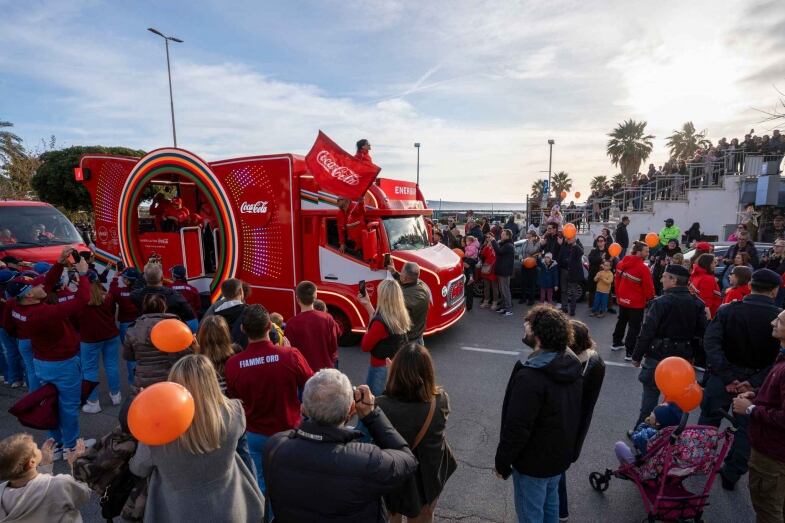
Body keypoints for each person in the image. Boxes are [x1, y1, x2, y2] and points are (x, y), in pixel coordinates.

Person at [262, 370, 418, 522]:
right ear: (351, 410)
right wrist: (372, 415)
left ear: (303, 409)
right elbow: (407, 458)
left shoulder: (275, 447)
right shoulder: (366, 461)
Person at [130, 355, 265, 523]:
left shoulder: (159, 432)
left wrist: (150, 413)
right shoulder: (235, 413)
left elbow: (138, 468)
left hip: (178, 512)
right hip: (231, 507)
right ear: (212, 382)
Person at [494, 306, 584, 523]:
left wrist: (502, 462)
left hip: (533, 463)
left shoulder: (531, 378)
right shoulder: (571, 365)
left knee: (530, 515)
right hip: (557, 459)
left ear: (539, 336)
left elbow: (517, 427)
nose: (524, 327)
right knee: (550, 506)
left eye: (528, 324)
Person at [699, 268, 782, 490]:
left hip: (722, 376)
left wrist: (727, 375)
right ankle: (732, 472)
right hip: (756, 382)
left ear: (751, 285)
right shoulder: (778, 318)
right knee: (746, 429)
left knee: (709, 419)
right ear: (774, 291)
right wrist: (753, 381)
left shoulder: (728, 310)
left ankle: (699, 460)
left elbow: (711, 343)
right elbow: (778, 359)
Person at [6, 249, 94, 457]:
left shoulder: (16, 304)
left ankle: (58, 443)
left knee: (49, 402)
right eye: (36, 285)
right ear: (29, 294)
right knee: (68, 406)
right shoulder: (42, 314)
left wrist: (59, 264)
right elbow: (81, 300)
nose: (42, 284)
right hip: (61, 363)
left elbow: (46, 283)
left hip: (41, 361)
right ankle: (71, 447)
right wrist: (83, 274)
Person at [224, 304, 313, 494]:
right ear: (270, 327)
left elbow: (234, 401)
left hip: (254, 434)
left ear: (242, 329)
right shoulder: (290, 355)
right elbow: (312, 385)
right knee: (292, 482)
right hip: (289, 430)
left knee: (261, 486)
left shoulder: (233, 365)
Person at [377, 344, 457, 523]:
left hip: (396, 476)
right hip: (427, 478)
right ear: (428, 372)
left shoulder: (381, 406)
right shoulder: (441, 400)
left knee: (393, 515)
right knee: (423, 516)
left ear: (395, 372)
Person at [631, 264, 707, 428]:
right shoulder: (697, 303)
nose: (661, 279)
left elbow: (647, 331)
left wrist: (636, 356)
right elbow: (701, 333)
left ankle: (642, 429)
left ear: (673, 280)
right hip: (683, 357)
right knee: (676, 399)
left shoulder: (661, 302)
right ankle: (669, 433)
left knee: (650, 393)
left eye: (664, 276)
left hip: (657, 355)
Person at [731, 308, 785, 522]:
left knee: (767, 508)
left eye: (780, 321)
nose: (773, 322)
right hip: (775, 450)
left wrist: (751, 409)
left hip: (773, 453)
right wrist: (758, 394)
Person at [558, 320, 605, 522]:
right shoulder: (594, 360)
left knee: (556, 472)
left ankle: (561, 512)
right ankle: (561, 511)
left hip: (566, 430)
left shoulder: (577, 370)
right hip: (576, 427)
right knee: (558, 472)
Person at [0, 435, 89, 522]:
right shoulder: (59, 484)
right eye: (36, 448)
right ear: (32, 462)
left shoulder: (1, 493)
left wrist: (45, 467)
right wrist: (77, 466)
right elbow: (84, 492)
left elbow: (33, 490)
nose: (39, 449)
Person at [122, 294, 194, 391]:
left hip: (143, 380)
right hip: (171, 376)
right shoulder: (175, 325)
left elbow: (128, 356)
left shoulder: (133, 329)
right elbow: (186, 352)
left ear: (144, 308)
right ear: (164, 307)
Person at [79, 270, 122, 414]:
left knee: (90, 370)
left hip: (90, 339)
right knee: (111, 365)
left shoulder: (81, 299)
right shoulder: (107, 296)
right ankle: (116, 395)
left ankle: (93, 402)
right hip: (110, 335)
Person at [358, 280, 411, 395]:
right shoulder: (400, 314)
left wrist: (368, 329)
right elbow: (379, 318)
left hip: (379, 368)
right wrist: (367, 303)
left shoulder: (380, 323)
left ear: (384, 297)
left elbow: (365, 346)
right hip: (394, 365)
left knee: (374, 401)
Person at [612, 241, 655, 361]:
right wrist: (650, 298)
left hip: (623, 300)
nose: (648, 253)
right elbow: (648, 287)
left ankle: (616, 343)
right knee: (634, 327)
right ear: (639, 252)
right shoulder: (643, 268)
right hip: (636, 303)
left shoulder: (621, 263)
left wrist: (619, 296)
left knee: (621, 321)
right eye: (646, 251)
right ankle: (629, 352)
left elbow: (617, 281)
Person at [284, 281, 340, 371]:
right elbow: (334, 346)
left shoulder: (291, 324)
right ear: (315, 297)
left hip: (304, 373)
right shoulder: (327, 318)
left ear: (297, 298)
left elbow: (290, 353)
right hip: (326, 372)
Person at [131, 262, 196, 328]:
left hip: (146, 331)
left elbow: (135, 288)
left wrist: (146, 273)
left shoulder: (136, 295)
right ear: (162, 278)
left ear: (144, 278)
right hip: (170, 329)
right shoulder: (174, 295)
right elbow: (190, 314)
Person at [614, 403, 683, 464]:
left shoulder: (649, 433)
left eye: (653, 413)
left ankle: (626, 467)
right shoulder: (671, 433)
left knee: (619, 445)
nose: (650, 413)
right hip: (659, 463)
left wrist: (645, 424)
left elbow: (636, 437)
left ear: (658, 422)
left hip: (644, 464)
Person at [109, 267, 141, 383]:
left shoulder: (120, 292)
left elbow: (112, 291)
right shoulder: (141, 291)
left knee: (130, 355)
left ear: (127, 281)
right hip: (140, 324)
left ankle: (133, 380)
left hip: (125, 326)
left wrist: (115, 278)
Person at [387, 262, 431, 344]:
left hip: (409, 341)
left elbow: (392, 317)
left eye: (402, 272)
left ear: (406, 278)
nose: (400, 273)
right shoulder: (421, 286)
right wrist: (394, 273)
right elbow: (406, 283)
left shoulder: (405, 298)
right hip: (418, 336)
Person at [196, 315, 237, 393]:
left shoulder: (197, 362)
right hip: (233, 402)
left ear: (202, 336)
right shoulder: (236, 354)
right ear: (226, 335)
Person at [556, 234, 585, 316]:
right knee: (563, 290)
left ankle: (572, 310)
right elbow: (559, 257)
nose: (568, 239)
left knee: (573, 292)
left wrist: (574, 244)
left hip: (573, 272)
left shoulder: (577, 243)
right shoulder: (563, 244)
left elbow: (581, 253)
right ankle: (564, 308)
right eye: (567, 237)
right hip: (564, 270)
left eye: (570, 237)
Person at [689, 253, 722, 319]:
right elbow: (706, 301)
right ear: (708, 264)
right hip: (708, 315)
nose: (715, 265)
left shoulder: (695, 275)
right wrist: (708, 319)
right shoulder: (707, 278)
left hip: (696, 312)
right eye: (713, 263)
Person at [491, 229, 515, 316]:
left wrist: (494, 241)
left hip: (505, 271)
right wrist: (496, 242)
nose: (501, 235)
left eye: (503, 234)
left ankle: (508, 308)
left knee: (505, 290)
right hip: (501, 270)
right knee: (502, 290)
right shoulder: (504, 244)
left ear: (508, 236)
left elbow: (499, 251)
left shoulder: (508, 245)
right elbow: (498, 250)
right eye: (501, 233)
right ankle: (503, 307)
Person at [519, 230, 540, 305]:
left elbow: (532, 251)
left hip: (532, 266)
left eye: (527, 233)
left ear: (531, 235)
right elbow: (521, 252)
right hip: (524, 264)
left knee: (531, 283)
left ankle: (531, 300)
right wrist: (521, 258)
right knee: (523, 282)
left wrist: (531, 242)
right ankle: (523, 298)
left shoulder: (536, 243)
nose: (526, 234)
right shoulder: (525, 242)